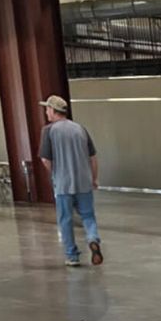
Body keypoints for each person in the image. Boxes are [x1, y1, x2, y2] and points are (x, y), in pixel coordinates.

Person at [37, 94, 103, 269]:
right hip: (84, 182)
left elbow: (45, 159)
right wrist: (94, 178)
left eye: (47, 109)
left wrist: (55, 174)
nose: (46, 112)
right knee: (88, 216)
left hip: (63, 185)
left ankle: (72, 256)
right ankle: (93, 238)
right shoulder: (80, 129)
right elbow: (93, 157)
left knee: (65, 219)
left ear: (53, 110)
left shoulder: (49, 131)